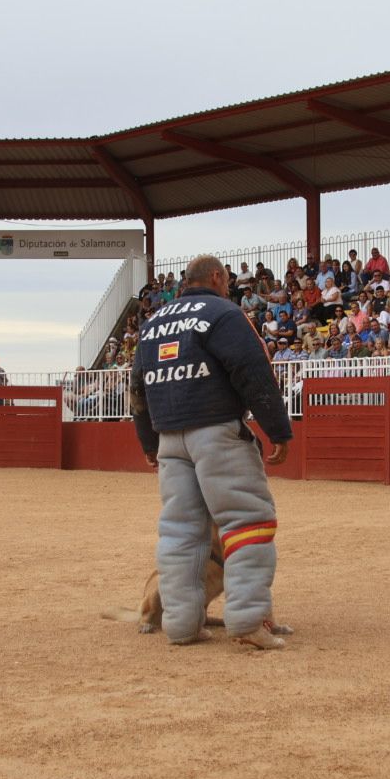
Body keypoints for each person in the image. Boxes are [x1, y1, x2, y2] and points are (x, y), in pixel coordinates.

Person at [128, 254, 292, 651]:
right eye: (227, 279)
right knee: (247, 522)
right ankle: (248, 621)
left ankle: (183, 626)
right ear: (217, 277)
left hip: (170, 439)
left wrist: (149, 443)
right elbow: (253, 370)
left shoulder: (153, 324)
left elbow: (137, 388)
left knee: (180, 533)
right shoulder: (224, 313)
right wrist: (278, 431)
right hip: (217, 434)